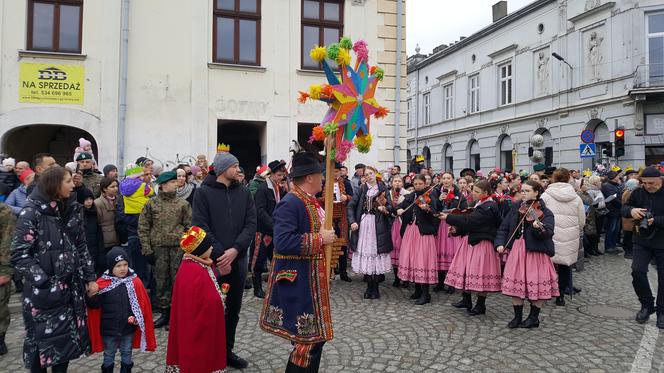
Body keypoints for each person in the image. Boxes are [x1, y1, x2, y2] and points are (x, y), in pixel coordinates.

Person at [11, 166, 99, 372]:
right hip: (42, 296)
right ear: (55, 185)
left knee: (64, 349)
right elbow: (19, 254)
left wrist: (90, 278)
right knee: (40, 351)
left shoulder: (72, 209)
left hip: (70, 293)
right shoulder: (31, 212)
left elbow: (81, 246)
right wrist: (45, 282)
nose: (73, 184)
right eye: (68, 181)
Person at [259, 150, 336, 373]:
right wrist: (320, 238)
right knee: (307, 342)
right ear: (310, 177)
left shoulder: (309, 201)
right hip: (299, 282)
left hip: (311, 281)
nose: (323, 179)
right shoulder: (291, 203)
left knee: (313, 341)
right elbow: (282, 241)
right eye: (320, 175)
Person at [192, 149, 256, 369]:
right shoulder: (203, 193)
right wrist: (221, 254)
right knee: (211, 309)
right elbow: (200, 225)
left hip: (237, 260)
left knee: (233, 309)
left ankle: (227, 351)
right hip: (213, 262)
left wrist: (235, 250)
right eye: (234, 165)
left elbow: (251, 224)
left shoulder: (244, 192)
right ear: (221, 169)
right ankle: (210, 351)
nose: (238, 169)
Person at [496, 181, 559, 328]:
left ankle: (533, 318)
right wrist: (500, 243)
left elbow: (548, 233)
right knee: (516, 283)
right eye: (522, 190)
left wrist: (539, 228)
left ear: (536, 192)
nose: (523, 193)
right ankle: (517, 317)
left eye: (527, 190)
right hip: (517, 250)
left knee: (535, 283)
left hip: (535, 252)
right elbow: (504, 228)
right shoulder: (516, 208)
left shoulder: (545, 212)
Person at [167, 226, 230, 373]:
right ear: (200, 250)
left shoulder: (193, 264)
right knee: (199, 352)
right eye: (209, 246)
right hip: (198, 324)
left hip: (191, 320)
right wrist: (221, 298)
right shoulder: (195, 271)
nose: (212, 248)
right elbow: (209, 300)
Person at [86, 247, 156, 373]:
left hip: (127, 327)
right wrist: (91, 295)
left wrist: (136, 318)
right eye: (118, 266)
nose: (123, 268)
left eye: (125, 265)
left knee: (127, 351)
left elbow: (141, 305)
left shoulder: (135, 281)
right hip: (108, 328)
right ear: (111, 267)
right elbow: (95, 307)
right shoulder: (102, 283)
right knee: (109, 353)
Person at [138, 170, 192, 330]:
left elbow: (189, 227)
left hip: (178, 249)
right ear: (163, 185)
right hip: (159, 248)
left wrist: (187, 248)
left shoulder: (183, 204)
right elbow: (143, 226)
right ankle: (165, 313)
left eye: (177, 181)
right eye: (173, 182)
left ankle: (177, 314)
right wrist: (146, 248)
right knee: (161, 281)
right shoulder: (151, 203)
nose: (177, 184)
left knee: (178, 281)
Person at [442, 180, 503, 315]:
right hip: (471, 241)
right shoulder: (480, 204)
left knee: (480, 273)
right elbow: (468, 225)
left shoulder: (489, 206)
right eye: (473, 190)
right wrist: (457, 231)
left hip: (482, 243)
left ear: (486, 193)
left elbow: (470, 221)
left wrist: (448, 217)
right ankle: (466, 300)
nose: (473, 194)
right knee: (466, 270)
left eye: (477, 192)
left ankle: (481, 305)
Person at [622, 166, 664, 329]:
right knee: (637, 271)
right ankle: (646, 305)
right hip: (641, 240)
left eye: (651, 183)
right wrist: (631, 210)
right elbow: (624, 209)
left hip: (662, 241)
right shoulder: (638, 192)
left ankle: (662, 311)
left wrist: (656, 221)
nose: (648, 186)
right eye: (644, 183)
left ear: (660, 179)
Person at [541, 168, 585, 306]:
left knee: (548, 264)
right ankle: (560, 295)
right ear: (568, 179)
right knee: (565, 265)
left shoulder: (545, 196)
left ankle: (546, 291)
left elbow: (540, 215)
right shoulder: (576, 197)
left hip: (550, 234)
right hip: (569, 236)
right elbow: (581, 220)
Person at [393, 174, 440, 305]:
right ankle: (418, 290)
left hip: (423, 232)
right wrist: (399, 209)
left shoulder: (430, 196)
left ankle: (426, 293)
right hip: (410, 231)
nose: (418, 186)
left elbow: (435, 213)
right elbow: (397, 206)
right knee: (412, 259)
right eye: (416, 184)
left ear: (425, 184)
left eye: (420, 184)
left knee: (422, 261)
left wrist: (427, 209)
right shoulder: (411, 197)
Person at [348, 166, 393, 299]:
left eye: (370, 173)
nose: (368, 176)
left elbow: (391, 207)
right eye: (366, 174)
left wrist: (384, 208)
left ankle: (376, 288)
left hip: (378, 224)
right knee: (366, 252)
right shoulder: (362, 189)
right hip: (364, 223)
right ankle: (369, 286)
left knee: (375, 253)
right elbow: (351, 206)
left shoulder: (383, 188)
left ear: (375, 174)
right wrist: (352, 221)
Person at [253, 160, 287, 298]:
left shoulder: (278, 187)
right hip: (263, 231)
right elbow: (259, 211)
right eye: (278, 175)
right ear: (271, 174)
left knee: (275, 259)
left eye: (282, 175)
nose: (280, 178)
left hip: (275, 231)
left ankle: (275, 286)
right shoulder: (263, 189)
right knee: (258, 261)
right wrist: (273, 224)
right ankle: (257, 288)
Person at [116, 164, 154, 287]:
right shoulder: (144, 187)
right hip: (135, 231)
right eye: (144, 175)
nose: (146, 177)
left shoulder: (122, 187)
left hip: (141, 228)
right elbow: (120, 211)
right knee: (138, 264)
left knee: (145, 265)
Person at [319, 162, 353, 283]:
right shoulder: (324, 183)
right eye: (332, 171)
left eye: (337, 171)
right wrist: (325, 199)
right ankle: (328, 272)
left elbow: (352, 197)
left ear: (340, 172)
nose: (335, 174)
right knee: (328, 244)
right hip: (328, 216)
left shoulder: (346, 183)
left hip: (342, 217)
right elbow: (317, 198)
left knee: (342, 245)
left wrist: (347, 197)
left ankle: (343, 272)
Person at [435, 171, 468, 294]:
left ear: (453, 179)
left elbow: (464, 209)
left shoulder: (459, 194)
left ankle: (451, 283)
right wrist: (439, 200)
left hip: (452, 224)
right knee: (439, 251)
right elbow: (433, 207)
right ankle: (440, 281)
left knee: (451, 252)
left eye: (448, 178)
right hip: (440, 225)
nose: (446, 180)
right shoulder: (437, 192)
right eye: (444, 178)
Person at [0, 201, 16, 355]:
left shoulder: (4, 211)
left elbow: (8, 240)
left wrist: (5, 271)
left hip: (0, 266)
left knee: (0, 307)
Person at [386, 175, 408, 287]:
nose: (397, 183)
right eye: (395, 181)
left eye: (399, 181)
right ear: (391, 183)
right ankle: (396, 277)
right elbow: (386, 206)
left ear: (402, 183)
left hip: (402, 223)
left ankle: (405, 277)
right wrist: (391, 211)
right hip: (392, 224)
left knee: (403, 250)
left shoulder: (407, 194)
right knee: (394, 250)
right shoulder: (387, 194)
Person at [79, 187, 106, 276]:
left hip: (95, 249)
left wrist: (101, 254)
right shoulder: (78, 215)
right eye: (86, 199)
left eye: (91, 199)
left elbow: (99, 235)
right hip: (85, 249)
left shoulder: (95, 213)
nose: (89, 201)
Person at [94, 177, 120, 253]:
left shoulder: (119, 200)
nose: (116, 189)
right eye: (112, 187)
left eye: (116, 186)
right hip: (106, 241)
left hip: (119, 238)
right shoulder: (98, 203)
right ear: (105, 189)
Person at [601, 171, 623, 254]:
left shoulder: (616, 185)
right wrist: (621, 205)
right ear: (613, 177)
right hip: (612, 211)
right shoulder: (607, 186)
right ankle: (609, 247)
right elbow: (612, 198)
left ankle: (613, 246)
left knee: (616, 230)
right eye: (617, 176)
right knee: (611, 229)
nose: (619, 178)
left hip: (617, 211)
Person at [621, 178, 640, 259]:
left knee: (630, 235)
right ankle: (628, 252)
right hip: (629, 218)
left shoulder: (628, 192)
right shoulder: (629, 193)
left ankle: (630, 251)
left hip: (630, 218)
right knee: (628, 236)